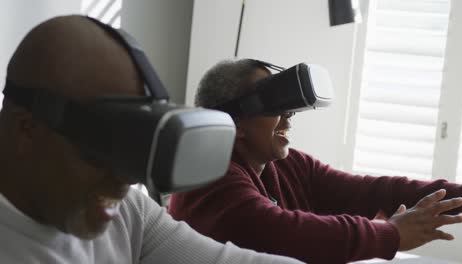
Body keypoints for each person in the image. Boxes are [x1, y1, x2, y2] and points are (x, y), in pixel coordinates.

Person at [0, 16, 305, 264]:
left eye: (133, 139)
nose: (125, 177)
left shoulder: (126, 210)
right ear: (28, 128)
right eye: (105, 144)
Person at [168, 59, 462, 263]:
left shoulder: (288, 166)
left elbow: (372, 190)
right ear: (235, 120)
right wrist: (391, 234)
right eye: (276, 106)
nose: (290, 115)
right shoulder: (207, 176)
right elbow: (282, 233)